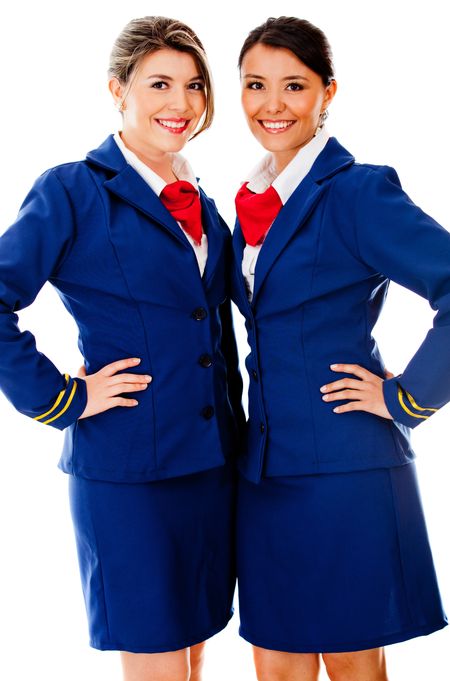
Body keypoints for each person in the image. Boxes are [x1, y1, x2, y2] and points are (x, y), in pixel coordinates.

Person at [0, 15, 244, 681]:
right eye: (159, 83)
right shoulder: (72, 190)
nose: (181, 103)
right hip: (129, 471)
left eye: (194, 85)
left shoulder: (202, 201)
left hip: (211, 463)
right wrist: (62, 397)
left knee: (194, 651)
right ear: (118, 90)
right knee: (158, 659)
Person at [232, 16, 449, 681]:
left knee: (353, 662)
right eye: (255, 85)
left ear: (328, 92)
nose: (273, 105)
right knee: (278, 665)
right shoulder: (248, 201)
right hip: (264, 476)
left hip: (345, 472)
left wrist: (403, 396)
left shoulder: (358, 192)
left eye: (294, 86)